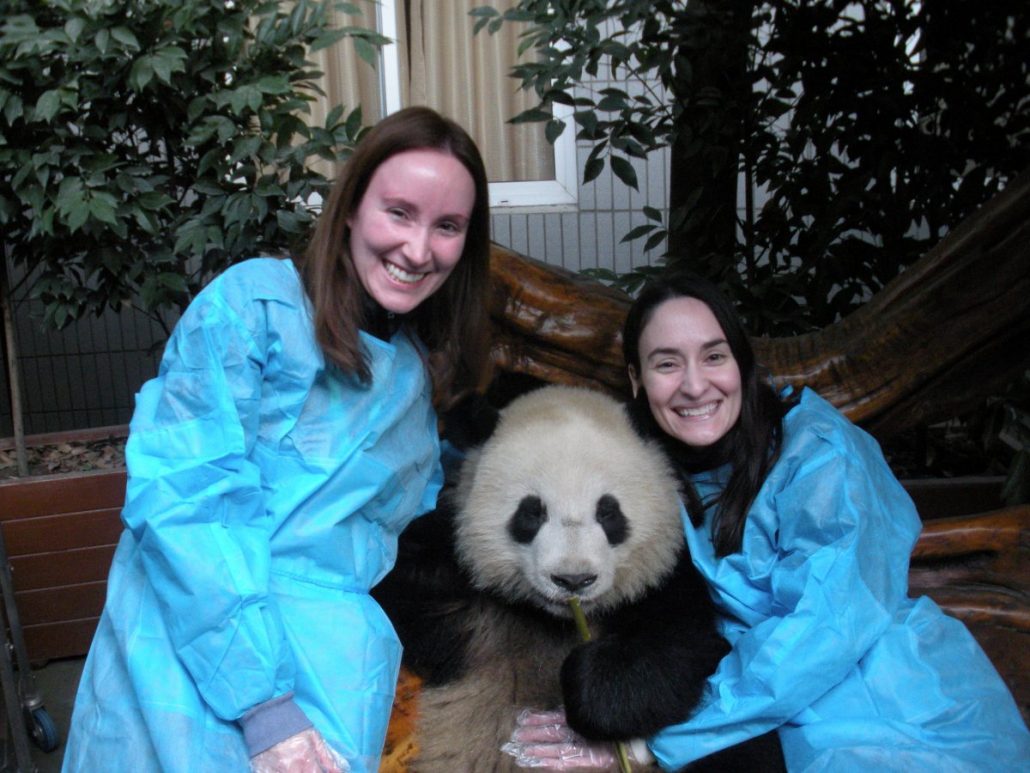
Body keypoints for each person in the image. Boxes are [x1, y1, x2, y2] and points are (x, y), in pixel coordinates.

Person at [62, 106, 492, 773]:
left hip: (330, 675)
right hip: (190, 659)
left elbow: (408, 530)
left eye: (448, 226)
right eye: (399, 212)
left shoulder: (410, 372)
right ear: (350, 208)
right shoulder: (254, 305)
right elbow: (187, 503)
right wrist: (264, 705)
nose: (417, 248)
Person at [511, 270, 1030, 771]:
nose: (695, 386)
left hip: (878, 698)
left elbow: (826, 627)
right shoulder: (638, 466)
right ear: (636, 379)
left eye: (714, 357)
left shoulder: (821, 454)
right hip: (755, 702)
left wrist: (660, 740)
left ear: (742, 363)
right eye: (667, 364)